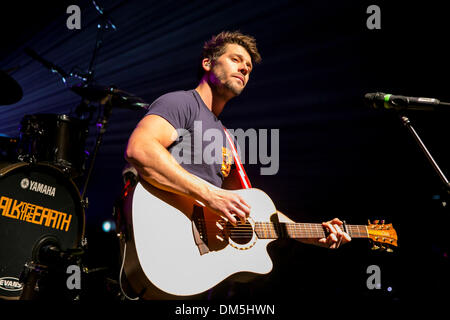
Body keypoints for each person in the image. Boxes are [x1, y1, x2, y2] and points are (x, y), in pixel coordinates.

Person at [125, 31, 350, 258]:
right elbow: (140, 149)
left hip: (196, 257)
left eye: (249, 68)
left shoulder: (228, 140)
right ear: (207, 63)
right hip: (162, 235)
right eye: (236, 60)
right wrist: (210, 195)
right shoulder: (181, 102)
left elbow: (251, 209)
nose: (244, 69)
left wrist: (310, 234)